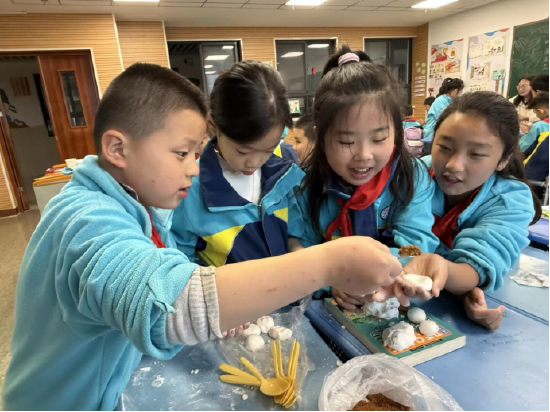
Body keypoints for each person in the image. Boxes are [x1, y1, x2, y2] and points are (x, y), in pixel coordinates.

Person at [2, 63, 403, 411]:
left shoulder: (132, 205)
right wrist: (328, 262)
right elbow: (167, 308)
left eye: (197, 153)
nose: (195, 169)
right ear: (117, 149)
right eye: (182, 153)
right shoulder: (85, 218)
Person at [293, 46, 442, 310]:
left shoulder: (410, 177)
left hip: (393, 296)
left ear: (396, 132)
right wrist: (331, 280)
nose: (363, 155)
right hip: (330, 308)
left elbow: (415, 246)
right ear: (320, 137)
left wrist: (386, 269)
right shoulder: (305, 186)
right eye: (346, 141)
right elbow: (301, 250)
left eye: (379, 138)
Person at [387, 92, 541, 330]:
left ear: (503, 159)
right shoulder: (411, 177)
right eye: (444, 147)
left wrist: (452, 277)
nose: (453, 165)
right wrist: (456, 287)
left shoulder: (509, 200)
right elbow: (398, 242)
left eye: (476, 154)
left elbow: (477, 265)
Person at [169, 61, 304, 267]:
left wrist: (299, 255)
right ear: (213, 126)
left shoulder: (282, 178)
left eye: (268, 150)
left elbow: (294, 233)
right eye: (243, 151)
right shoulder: (188, 191)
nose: (254, 163)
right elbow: (183, 262)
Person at [524, 92, 550, 184]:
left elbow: (524, 148)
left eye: (536, 113)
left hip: (532, 179)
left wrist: (525, 133)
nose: (536, 116)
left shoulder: (539, 126)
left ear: (541, 111)